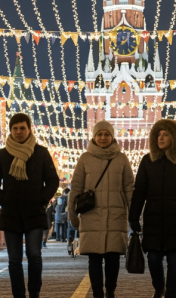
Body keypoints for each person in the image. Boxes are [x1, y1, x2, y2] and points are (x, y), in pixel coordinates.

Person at [129, 119, 176, 298]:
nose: (161, 138)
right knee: (153, 259)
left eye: (165, 134)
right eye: (158, 134)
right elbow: (139, 191)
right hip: (154, 219)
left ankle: (171, 294)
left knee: (175, 261)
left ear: (175, 137)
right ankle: (159, 287)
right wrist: (133, 216)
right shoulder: (147, 161)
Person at [0, 113, 60, 298]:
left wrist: (41, 199)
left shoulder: (41, 153)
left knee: (34, 255)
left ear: (29, 129)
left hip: (34, 212)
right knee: (14, 259)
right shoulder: (2, 154)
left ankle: (34, 292)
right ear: (10, 131)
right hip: (11, 213)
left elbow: (53, 180)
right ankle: (19, 294)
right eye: (15, 128)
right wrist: (4, 199)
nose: (18, 132)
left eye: (22, 128)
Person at [68, 121, 134, 298]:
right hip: (92, 216)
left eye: (106, 134)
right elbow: (76, 189)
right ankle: (97, 293)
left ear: (112, 137)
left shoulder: (121, 159)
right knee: (94, 258)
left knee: (113, 258)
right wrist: (72, 215)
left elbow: (129, 188)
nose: (103, 138)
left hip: (116, 215)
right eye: (99, 134)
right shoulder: (84, 158)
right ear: (94, 136)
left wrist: (135, 216)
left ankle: (110, 291)